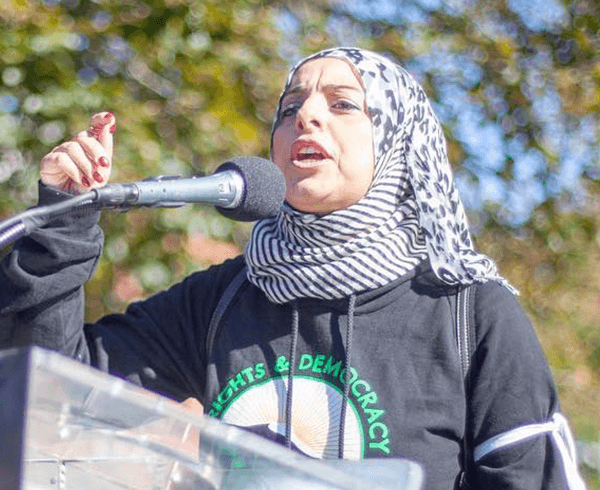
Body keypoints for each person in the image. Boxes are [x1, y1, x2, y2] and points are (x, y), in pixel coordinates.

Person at [0, 47, 587, 490]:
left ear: (398, 141)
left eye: (342, 104)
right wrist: (63, 220)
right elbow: (49, 387)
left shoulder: (468, 312)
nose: (306, 115)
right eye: (289, 107)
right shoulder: (222, 298)